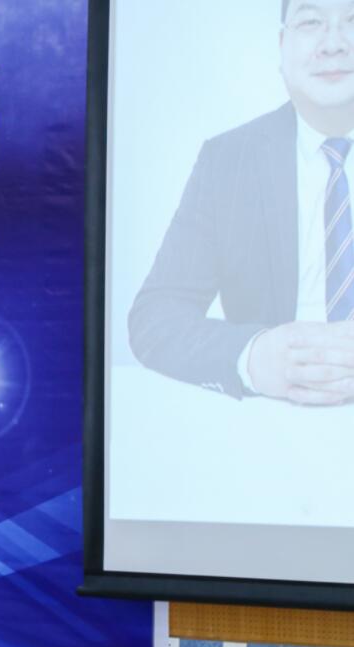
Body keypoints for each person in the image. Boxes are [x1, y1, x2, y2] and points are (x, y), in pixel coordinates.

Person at [128, 0, 354, 405]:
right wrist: (251, 356)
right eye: (311, 21)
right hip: (271, 424)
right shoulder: (228, 162)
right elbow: (155, 318)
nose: (333, 43)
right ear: (282, 47)